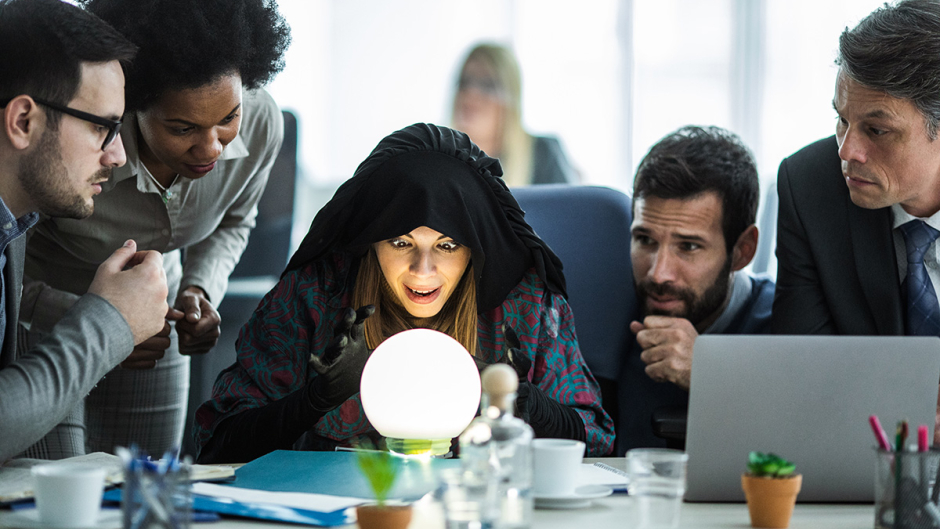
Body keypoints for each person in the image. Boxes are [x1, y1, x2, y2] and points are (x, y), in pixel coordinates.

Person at [194, 123, 614, 463]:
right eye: (401, 243)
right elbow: (216, 445)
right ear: (372, 242)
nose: (422, 269)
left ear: (473, 251)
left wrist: (527, 404)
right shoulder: (314, 296)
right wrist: (314, 399)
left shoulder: (521, 306)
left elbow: (598, 438)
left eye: (447, 246)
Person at [18, 0, 291, 457]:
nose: (212, 148)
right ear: (132, 104)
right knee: (63, 483)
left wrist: (199, 290)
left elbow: (235, 220)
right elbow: (8, 255)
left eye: (228, 119)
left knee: (145, 481)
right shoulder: (81, 144)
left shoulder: (262, 123)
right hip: (41, 317)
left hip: (153, 319)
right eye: (183, 128)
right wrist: (100, 322)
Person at [0, 0, 169, 462]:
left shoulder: (16, 222)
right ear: (23, 121)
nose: (117, 156)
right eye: (103, 128)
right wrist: (109, 322)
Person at [773, 0, 940, 443]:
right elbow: (802, 373)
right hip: (860, 459)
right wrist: (911, 407)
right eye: (841, 120)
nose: (847, 151)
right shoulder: (810, 186)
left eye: (877, 130)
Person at [617, 126, 773, 454]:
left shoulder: (789, 323)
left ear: (743, 251)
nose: (658, 273)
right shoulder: (605, 318)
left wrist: (707, 373)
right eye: (645, 240)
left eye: (688, 246)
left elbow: (807, 454)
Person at [451, 43, 577, 186]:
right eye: (464, 83)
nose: (470, 95)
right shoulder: (440, 158)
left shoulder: (542, 153)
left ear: (510, 99)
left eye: (487, 86)